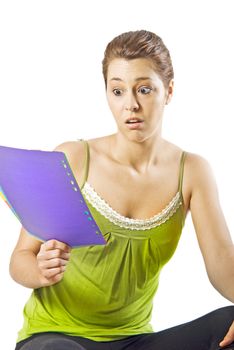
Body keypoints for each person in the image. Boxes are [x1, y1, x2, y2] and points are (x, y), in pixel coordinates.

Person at [11, 29, 234, 350]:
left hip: (134, 341)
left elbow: (223, 261)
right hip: (55, 337)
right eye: (117, 91)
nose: (131, 104)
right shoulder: (73, 158)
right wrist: (40, 271)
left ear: (168, 91)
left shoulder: (192, 172)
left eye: (144, 89)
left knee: (229, 324)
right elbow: (20, 259)